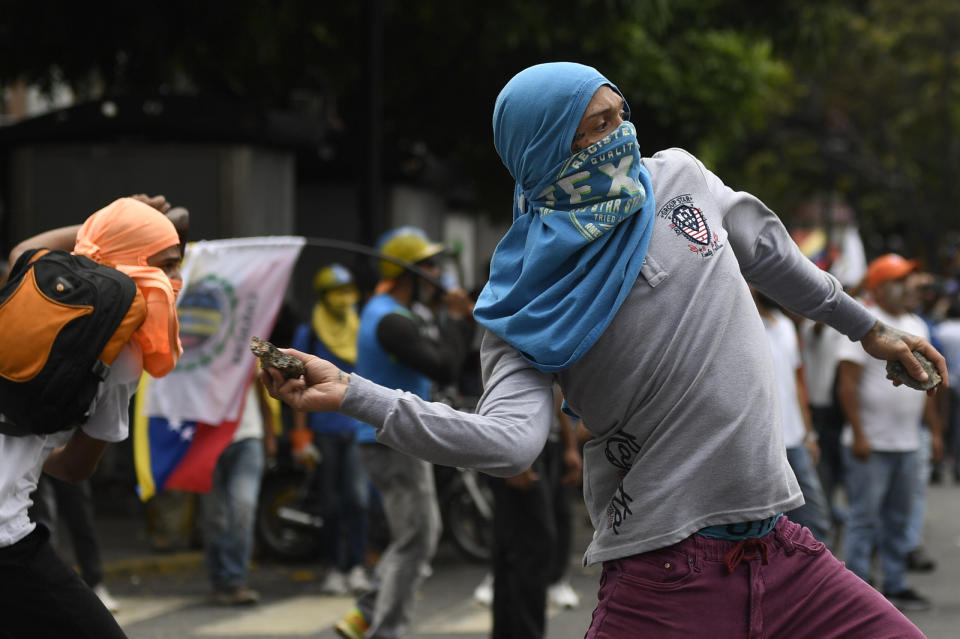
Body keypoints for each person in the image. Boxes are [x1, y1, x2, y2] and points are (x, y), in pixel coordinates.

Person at [261, 63, 948, 638]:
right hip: (666, 575)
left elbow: (768, 249)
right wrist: (358, 395)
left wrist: (867, 327)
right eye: (595, 128)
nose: (619, 138)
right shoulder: (517, 305)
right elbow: (507, 443)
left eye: (620, 116)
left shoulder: (678, 179)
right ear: (543, 151)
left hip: (779, 547)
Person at [1, 197, 184, 639]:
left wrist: (101, 225)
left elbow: (24, 248)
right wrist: (38, 451)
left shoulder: (28, 288)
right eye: (170, 265)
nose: (177, 280)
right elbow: (74, 467)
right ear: (142, 267)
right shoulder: (123, 351)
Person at [334, 227, 475, 639]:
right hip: (392, 441)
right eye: (428, 266)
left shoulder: (393, 313)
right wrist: (456, 318)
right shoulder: (390, 321)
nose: (437, 274)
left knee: (413, 536)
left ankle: (366, 614)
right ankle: (386, 629)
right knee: (418, 538)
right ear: (409, 274)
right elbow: (444, 365)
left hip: (395, 437)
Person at [836, 254, 944, 612]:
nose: (910, 287)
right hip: (872, 443)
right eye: (901, 280)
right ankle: (859, 588)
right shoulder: (863, 323)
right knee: (864, 518)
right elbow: (847, 385)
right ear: (880, 286)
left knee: (898, 518)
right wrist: (859, 433)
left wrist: (935, 431)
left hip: (907, 442)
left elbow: (926, 383)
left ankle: (895, 584)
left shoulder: (916, 324)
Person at [290, 264, 371, 596]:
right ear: (323, 297)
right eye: (337, 292)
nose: (344, 299)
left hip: (358, 427)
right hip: (323, 429)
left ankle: (357, 566)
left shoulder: (361, 329)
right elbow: (296, 385)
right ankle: (334, 568)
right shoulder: (307, 334)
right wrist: (300, 436)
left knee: (359, 500)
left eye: (347, 290)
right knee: (331, 503)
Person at [753, 290, 831, 542]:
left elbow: (798, 382)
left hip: (795, 442)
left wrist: (809, 434)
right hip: (761, 446)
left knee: (815, 520)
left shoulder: (785, 325)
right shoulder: (741, 323)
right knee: (768, 530)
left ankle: (815, 580)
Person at [203, 377, 277, 605]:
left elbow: (262, 388)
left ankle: (234, 580)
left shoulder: (242, 346)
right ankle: (219, 580)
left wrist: (270, 432)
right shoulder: (195, 348)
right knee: (214, 516)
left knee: (243, 508)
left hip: (247, 438)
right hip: (205, 440)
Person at [29, 475, 119, 612]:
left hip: (64, 456)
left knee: (81, 515)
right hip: (37, 462)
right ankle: (49, 589)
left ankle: (95, 582)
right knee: (44, 524)